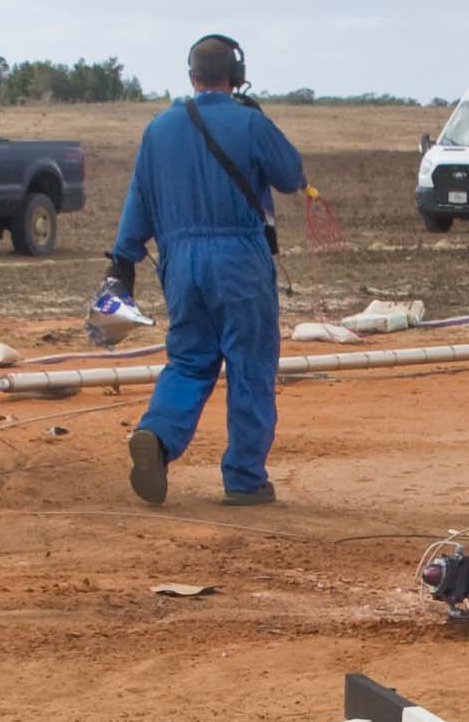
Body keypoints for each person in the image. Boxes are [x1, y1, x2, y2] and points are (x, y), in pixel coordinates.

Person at [105, 35, 322, 503]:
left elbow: (138, 201)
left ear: (191, 77)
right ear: (236, 76)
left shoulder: (158, 129)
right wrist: (260, 122)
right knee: (249, 366)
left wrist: (124, 261)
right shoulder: (249, 123)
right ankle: (244, 479)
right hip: (239, 258)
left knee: (188, 361)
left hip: (180, 264)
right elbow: (290, 176)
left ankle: (158, 439)